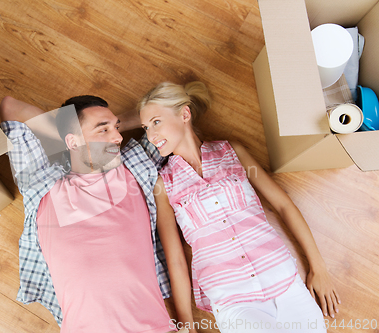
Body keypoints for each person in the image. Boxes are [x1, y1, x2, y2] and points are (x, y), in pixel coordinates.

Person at [137, 82, 341, 333]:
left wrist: (318, 268)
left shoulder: (232, 151)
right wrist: (186, 324)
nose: (150, 135)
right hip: (233, 300)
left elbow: (283, 204)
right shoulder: (163, 183)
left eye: (156, 122)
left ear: (185, 114)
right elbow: (176, 258)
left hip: (285, 281)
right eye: (145, 127)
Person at [0, 95, 187, 333]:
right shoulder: (42, 186)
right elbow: (10, 107)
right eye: (103, 129)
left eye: (116, 128)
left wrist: (101, 130)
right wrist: (67, 133)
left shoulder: (134, 165)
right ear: (72, 140)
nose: (118, 136)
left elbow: (170, 108)